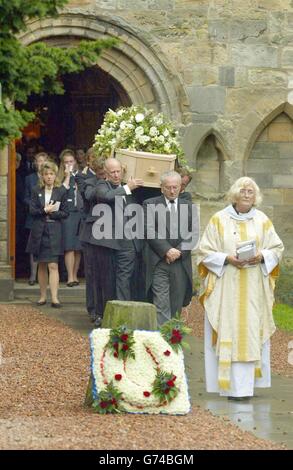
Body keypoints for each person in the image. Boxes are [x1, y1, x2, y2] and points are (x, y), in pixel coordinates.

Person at [197, 176, 284, 400]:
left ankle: (248, 388)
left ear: (256, 196)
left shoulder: (262, 220)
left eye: (251, 191)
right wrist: (226, 258)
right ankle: (229, 387)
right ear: (235, 193)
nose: (247, 194)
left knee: (251, 330)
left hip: (254, 285)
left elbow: (276, 248)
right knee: (230, 330)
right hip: (227, 285)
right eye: (243, 190)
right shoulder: (219, 219)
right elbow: (204, 251)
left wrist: (261, 256)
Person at [143, 170, 195, 326]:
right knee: (161, 304)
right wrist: (167, 250)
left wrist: (178, 251)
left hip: (180, 262)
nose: (172, 191)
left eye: (175, 187)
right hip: (159, 262)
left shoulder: (189, 206)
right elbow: (148, 230)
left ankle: (173, 342)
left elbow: (193, 233)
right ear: (161, 188)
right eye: (168, 187)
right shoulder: (150, 204)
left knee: (176, 306)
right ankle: (162, 344)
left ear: (181, 187)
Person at [26, 162, 69, 307]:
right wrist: (44, 210)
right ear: (42, 176)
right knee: (42, 265)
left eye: (51, 174)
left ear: (55, 175)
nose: (49, 177)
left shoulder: (61, 191)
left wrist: (53, 212)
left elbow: (65, 212)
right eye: (46, 174)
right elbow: (32, 211)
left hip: (54, 231)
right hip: (39, 231)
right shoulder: (35, 189)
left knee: (53, 265)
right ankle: (43, 296)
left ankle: (55, 298)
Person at [58, 149, 83, 287]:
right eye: (66, 162)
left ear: (75, 162)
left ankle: (75, 275)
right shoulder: (60, 177)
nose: (69, 164)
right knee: (69, 246)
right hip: (67, 214)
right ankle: (69, 277)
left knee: (78, 247)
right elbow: (60, 193)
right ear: (62, 164)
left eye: (71, 161)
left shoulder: (81, 175)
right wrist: (67, 177)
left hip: (79, 213)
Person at [24, 152, 49, 285]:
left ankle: (44, 276)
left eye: (44, 161)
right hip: (33, 217)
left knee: (46, 247)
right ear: (35, 163)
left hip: (48, 217)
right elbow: (25, 197)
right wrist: (36, 206)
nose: (41, 164)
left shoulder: (51, 177)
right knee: (33, 247)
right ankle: (33, 276)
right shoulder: (29, 178)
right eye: (39, 161)